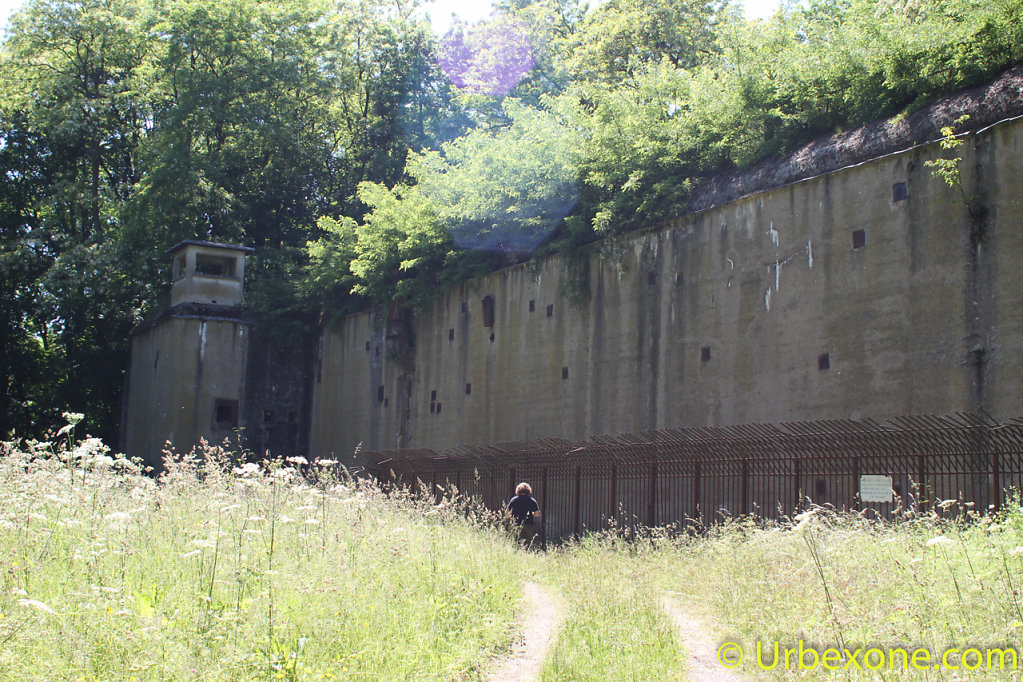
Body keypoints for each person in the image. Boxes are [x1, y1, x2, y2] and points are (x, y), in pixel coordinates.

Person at [506, 482, 541, 548]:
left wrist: (511, 517)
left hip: (516, 523)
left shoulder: (514, 499)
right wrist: (532, 514)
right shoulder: (532, 500)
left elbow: (507, 512)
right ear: (528, 490)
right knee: (528, 543)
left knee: (516, 542)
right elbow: (537, 514)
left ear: (518, 490)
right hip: (528, 524)